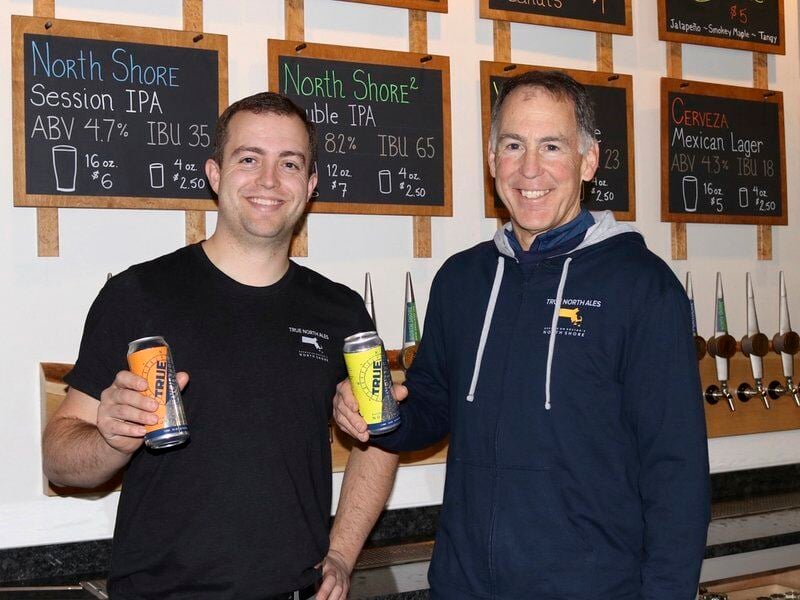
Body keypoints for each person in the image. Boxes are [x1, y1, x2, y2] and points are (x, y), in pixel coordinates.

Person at [333, 71, 711, 599]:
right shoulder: (462, 280)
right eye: (513, 145)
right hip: (463, 586)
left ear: (588, 160)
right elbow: (432, 408)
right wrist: (377, 415)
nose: (529, 169)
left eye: (551, 146)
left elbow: (677, 471)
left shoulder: (643, 288)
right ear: (492, 161)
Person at [43, 92, 399, 600]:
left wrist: (341, 552)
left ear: (311, 185)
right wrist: (109, 441)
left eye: (290, 163)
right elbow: (58, 458)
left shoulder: (340, 310)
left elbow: (381, 438)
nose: (269, 181)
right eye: (248, 158)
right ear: (214, 173)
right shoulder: (137, 294)